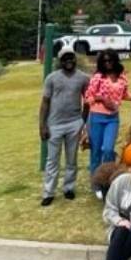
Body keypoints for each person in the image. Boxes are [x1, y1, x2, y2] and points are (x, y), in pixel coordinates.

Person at [85, 49, 131, 199]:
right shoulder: (98, 77)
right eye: (105, 61)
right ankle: (96, 183)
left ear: (115, 60)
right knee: (96, 151)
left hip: (112, 118)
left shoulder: (122, 77)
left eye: (110, 60)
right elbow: (88, 97)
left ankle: (107, 180)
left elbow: (125, 95)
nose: (108, 63)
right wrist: (101, 99)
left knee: (108, 149)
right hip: (97, 116)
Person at [39, 46, 89, 206]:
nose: (69, 61)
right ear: (60, 61)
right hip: (54, 124)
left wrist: (83, 121)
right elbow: (45, 102)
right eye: (65, 58)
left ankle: (69, 188)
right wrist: (42, 125)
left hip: (74, 122)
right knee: (52, 160)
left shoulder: (83, 78)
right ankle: (49, 192)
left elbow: (88, 100)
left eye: (71, 57)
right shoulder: (52, 78)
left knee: (71, 159)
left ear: (75, 58)